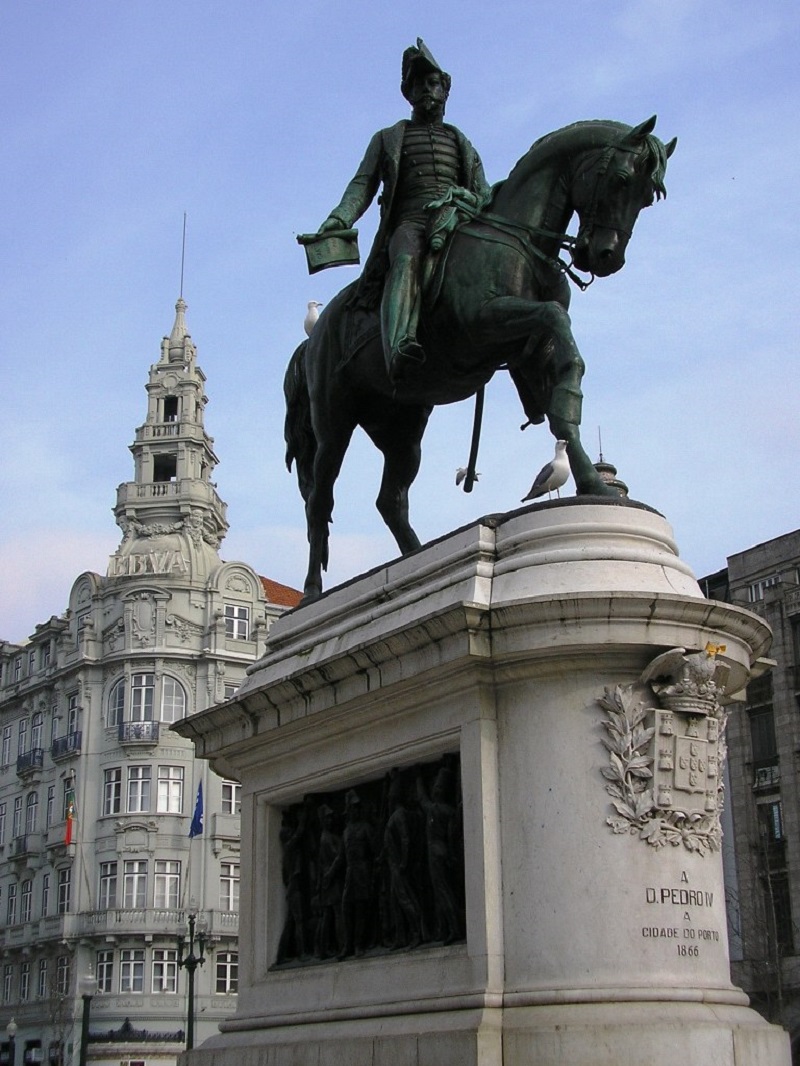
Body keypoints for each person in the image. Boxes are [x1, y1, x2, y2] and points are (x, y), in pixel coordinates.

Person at [317, 38, 489, 385]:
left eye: (433, 83)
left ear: (445, 91)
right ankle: (399, 345)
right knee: (407, 261)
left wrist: (470, 202)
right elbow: (362, 185)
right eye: (419, 84)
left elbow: (482, 192)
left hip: (457, 223)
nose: (427, 90)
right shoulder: (389, 138)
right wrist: (339, 218)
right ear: (408, 93)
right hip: (410, 223)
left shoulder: (461, 141)